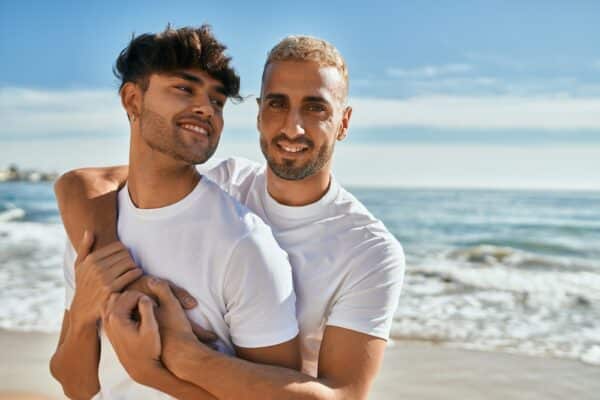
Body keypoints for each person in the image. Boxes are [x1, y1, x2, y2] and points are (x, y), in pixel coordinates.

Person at [55, 34, 405, 399]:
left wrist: (174, 360)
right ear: (258, 113)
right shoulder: (223, 179)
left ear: (344, 122)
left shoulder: (370, 250)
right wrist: (114, 272)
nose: (292, 127)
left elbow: (345, 395)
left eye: (316, 108)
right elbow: (83, 182)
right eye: (277, 103)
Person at [49, 25, 300, 400]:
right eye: (184, 89)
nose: (205, 108)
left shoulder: (242, 243)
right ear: (133, 100)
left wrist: (152, 370)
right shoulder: (97, 230)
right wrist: (86, 313)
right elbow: (76, 386)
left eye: (217, 100)